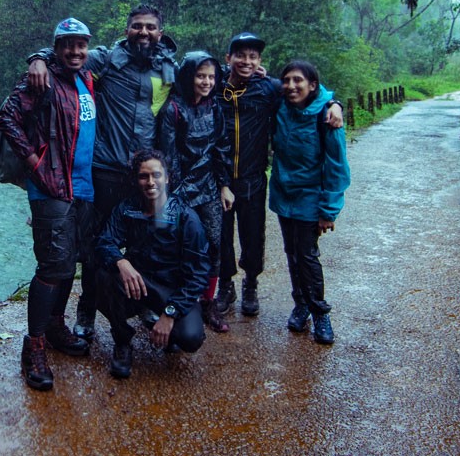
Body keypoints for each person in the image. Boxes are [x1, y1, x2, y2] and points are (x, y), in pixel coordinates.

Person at [28, 5, 177, 340]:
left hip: (143, 174)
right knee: (94, 245)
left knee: (144, 241)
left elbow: (205, 82)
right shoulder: (106, 59)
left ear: (160, 32)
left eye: (150, 27)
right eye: (136, 26)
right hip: (105, 169)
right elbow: (66, 55)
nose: (143, 32)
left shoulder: (168, 68)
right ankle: (87, 308)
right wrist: (37, 59)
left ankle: (144, 301)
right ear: (126, 30)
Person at [0, 17, 97, 391]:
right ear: (55, 48)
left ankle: (55, 327)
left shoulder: (86, 78)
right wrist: (33, 162)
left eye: (81, 44)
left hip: (82, 187)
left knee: (69, 263)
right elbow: (8, 117)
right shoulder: (42, 79)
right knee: (52, 266)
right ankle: (34, 346)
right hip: (51, 187)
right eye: (67, 44)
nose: (75, 51)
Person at [216, 33, 343, 318]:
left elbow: (310, 92)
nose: (246, 61)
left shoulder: (269, 88)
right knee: (221, 236)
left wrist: (336, 103)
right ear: (228, 58)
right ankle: (225, 285)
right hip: (220, 178)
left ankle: (251, 284)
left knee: (253, 236)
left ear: (260, 61)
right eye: (240, 55)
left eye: (253, 57)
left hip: (253, 177)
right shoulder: (215, 88)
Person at [94, 149, 210, 379]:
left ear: (167, 178)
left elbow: (199, 274)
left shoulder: (186, 217)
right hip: (138, 283)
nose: (150, 182)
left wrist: (170, 313)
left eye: (156, 175)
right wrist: (120, 261)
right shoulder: (127, 208)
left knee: (191, 338)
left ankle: (169, 330)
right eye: (143, 176)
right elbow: (105, 241)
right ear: (136, 180)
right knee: (100, 276)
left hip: (172, 290)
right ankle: (122, 342)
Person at [269, 60, 351, 345]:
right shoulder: (281, 106)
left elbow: (337, 165)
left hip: (310, 198)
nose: (291, 86)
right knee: (291, 253)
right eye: (287, 80)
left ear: (312, 85)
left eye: (298, 80)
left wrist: (329, 210)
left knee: (306, 255)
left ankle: (319, 313)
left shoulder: (326, 116)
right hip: (283, 194)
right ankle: (300, 304)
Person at [157, 51, 233, 333]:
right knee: (180, 245)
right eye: (201, 76)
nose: (206, 82)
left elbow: (221, 147)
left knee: (213, 243)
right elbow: (169, 156)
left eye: (211, 77)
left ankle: (208, 301)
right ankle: (175, 302)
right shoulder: (173, 109)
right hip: (180, 189)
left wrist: (224, 185)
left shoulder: (215, 107)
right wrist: (175, 195)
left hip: (209, 186)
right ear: (189, 76)